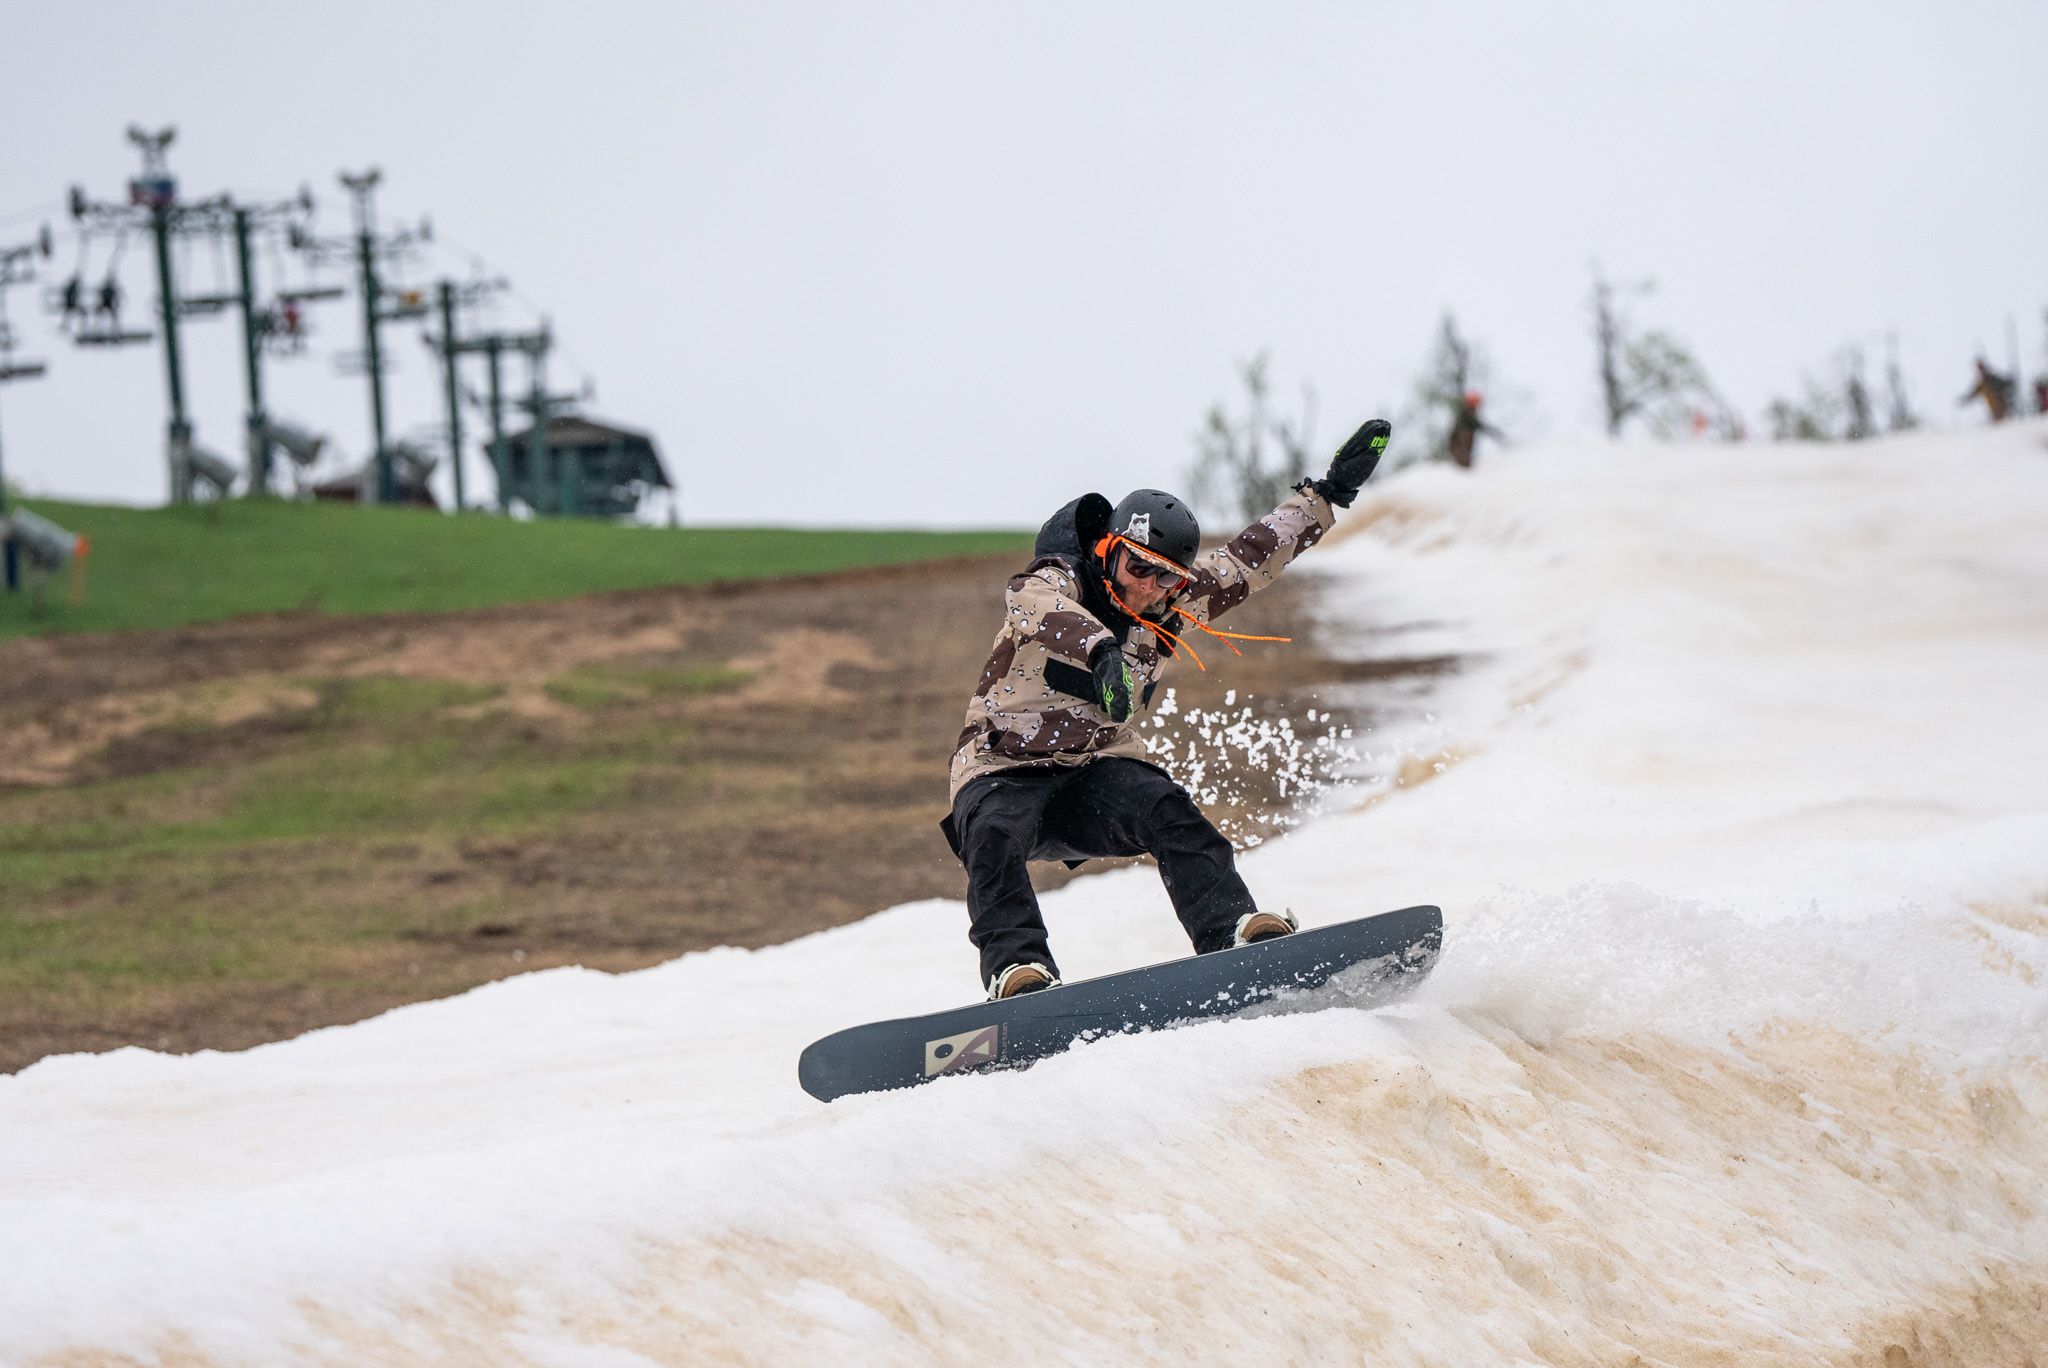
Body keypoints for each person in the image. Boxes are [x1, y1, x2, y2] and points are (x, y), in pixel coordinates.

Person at [941, 417, 1392, 999]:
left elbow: (1249, 558)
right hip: (1001, 769)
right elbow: (1029, 599)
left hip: (1089, 774)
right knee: (994, 837)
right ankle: (1018, 973)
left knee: (1166, 807)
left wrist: (1327, 497)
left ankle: (1229, 933)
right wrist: (1100, 648)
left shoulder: (1174, 604)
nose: (1150, 587)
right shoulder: (1062, 580)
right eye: (1138, 567)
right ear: (1109, 551)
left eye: (1167, 577)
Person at [1446, 391, 1500, 469]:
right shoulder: (1465, 417)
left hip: (1462, 453)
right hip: (1460, 453)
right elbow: (1461, 438)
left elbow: (1481, 426)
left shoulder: (1468, 415)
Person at [1958, 358, 2015, 423]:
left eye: (1982, 369)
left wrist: (2010, 381)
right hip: (1994, 412)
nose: (1981, 371)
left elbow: (2006, 385)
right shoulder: (1982, 384)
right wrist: (1964, 400)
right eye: (1979, 369)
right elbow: (1973, 394)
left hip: (2003, 409)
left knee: (2006, 425)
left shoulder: (1993, 379)